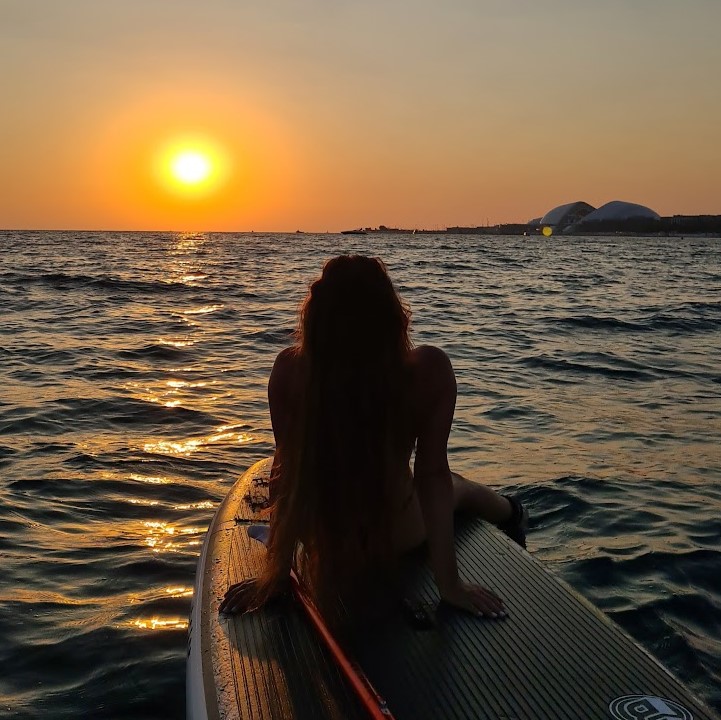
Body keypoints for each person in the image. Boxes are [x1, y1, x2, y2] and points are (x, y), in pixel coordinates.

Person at [220, 255, 527, 623]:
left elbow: (286, 476)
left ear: (315, 318)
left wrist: (277, 574)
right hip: (395, 533)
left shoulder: (290, 370)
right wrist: (449, 584)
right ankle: (512, 513)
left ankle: (510, 511)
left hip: (322, 537)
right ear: (393, 316)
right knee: (456, 486)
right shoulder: (427, 370)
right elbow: (431, 477)